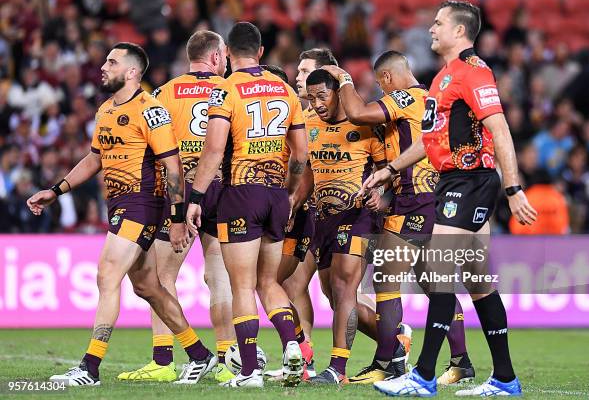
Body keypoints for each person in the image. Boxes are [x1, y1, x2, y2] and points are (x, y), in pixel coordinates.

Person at [364, 1, 536, 397]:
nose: (431, 29)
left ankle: (423, 375)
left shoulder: (474, 73)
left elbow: (501, 129)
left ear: (460, 31)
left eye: (439, 23)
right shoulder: (442, 77)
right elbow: (429, 142)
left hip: (470, 181)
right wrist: (389, 171)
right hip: (452, 181)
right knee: (478, 282)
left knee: (441, 273)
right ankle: (506, 379)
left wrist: (513, 188)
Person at [27, 42, 216, 386]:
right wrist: (56, 191)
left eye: (111, 62)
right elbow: (94, 158)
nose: (102, 66)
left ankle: (89, 367)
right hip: (120, 203)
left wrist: (175, 221)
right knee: (148, 287)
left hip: (142, 203)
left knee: (106, 274)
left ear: (131, 72)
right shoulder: (105, 110)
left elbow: (172, 168)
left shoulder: (151, 109)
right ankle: (200, 355)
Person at [322, 50, 475, 385]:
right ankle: (462, 362)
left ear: (388, 79)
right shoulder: (431, 100)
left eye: (380, 84)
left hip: (413, 202)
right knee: (434, 282)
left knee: (386, 280)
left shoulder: (405, 98)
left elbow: (359, 112)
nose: (381, 91)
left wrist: (346, 79)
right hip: (437, 196)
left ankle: (388, 362)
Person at [184, 22, 309, 388]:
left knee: (242, 286)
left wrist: (196, 197)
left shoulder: (225, 90)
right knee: (268, 281)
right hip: (275, 194)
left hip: (240, 192)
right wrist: (288, 190)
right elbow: (300, 154)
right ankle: (292, 346)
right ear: (259, 52)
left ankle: (250, 371)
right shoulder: (286, 90)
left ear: (227, 55)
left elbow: (212, 150)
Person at [116, 31, 237, 384]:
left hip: (180, 193)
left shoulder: (165, 92)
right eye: (224, 57)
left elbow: (151, 149)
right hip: (222, 190)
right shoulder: (228, 90)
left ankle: (163, 359)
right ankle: (227, 359)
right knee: (220, 278)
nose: (226, 62)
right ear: (215, 57)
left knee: (161, 277)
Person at [297, 69, 391, 385]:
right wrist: (294, 202)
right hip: (323, 220)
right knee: (335, 297)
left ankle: (337, 368)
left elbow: (387, 170)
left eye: (322, 96)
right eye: (312, 98)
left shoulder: (364, 124)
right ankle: (394, 345)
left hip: (360, 217)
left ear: (338, 92)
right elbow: (309, 171)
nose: (318, 104)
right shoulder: (309, 123)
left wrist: (379, 195)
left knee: (343, 287)